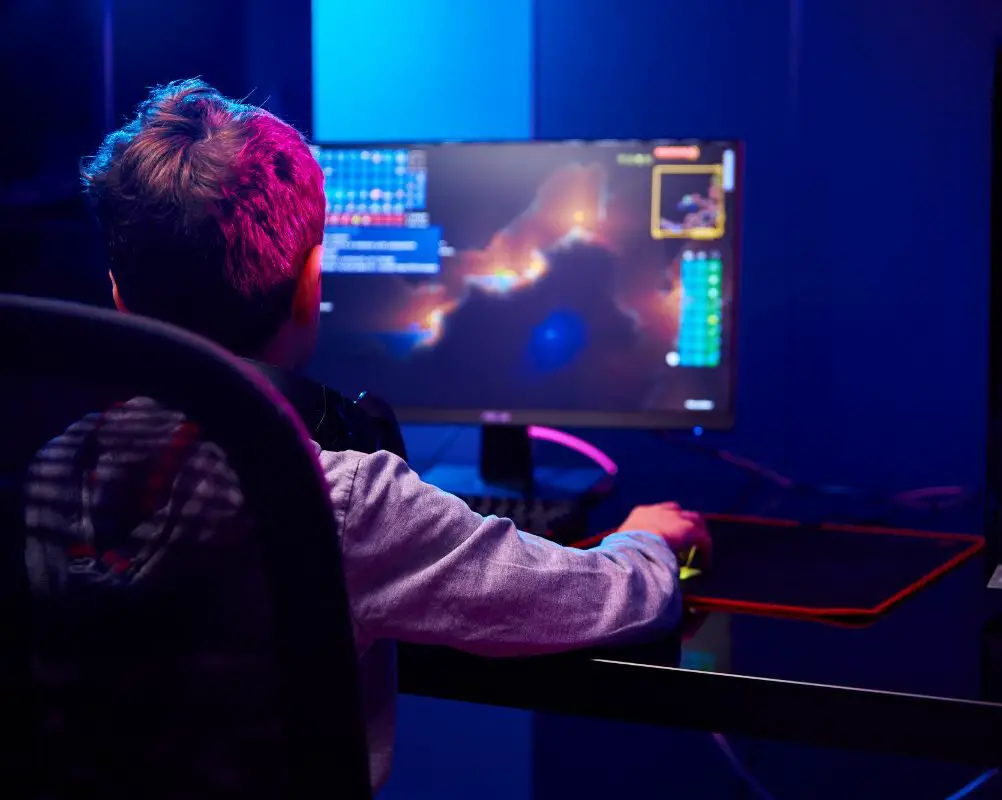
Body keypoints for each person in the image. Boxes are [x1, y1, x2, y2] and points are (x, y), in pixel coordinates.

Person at [76, 79, 711, 790]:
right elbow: (599, 600)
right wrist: (648, 540)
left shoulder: (44, 471)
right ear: (313, 283)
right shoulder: (330, 499)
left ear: (118, 297)